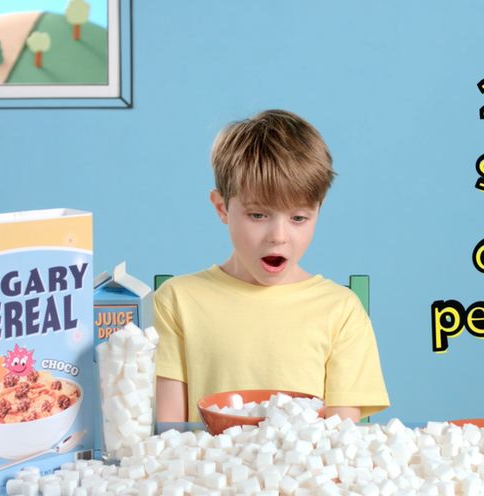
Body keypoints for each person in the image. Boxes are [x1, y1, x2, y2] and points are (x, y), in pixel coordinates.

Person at [154, 109, 389, 423]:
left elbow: (341, 440)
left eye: (298, 218)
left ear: (318, 212)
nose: (278, 237)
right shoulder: (177, 300)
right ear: (222, 207)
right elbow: (169, 434)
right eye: (258, 215)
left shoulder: (341, 310)